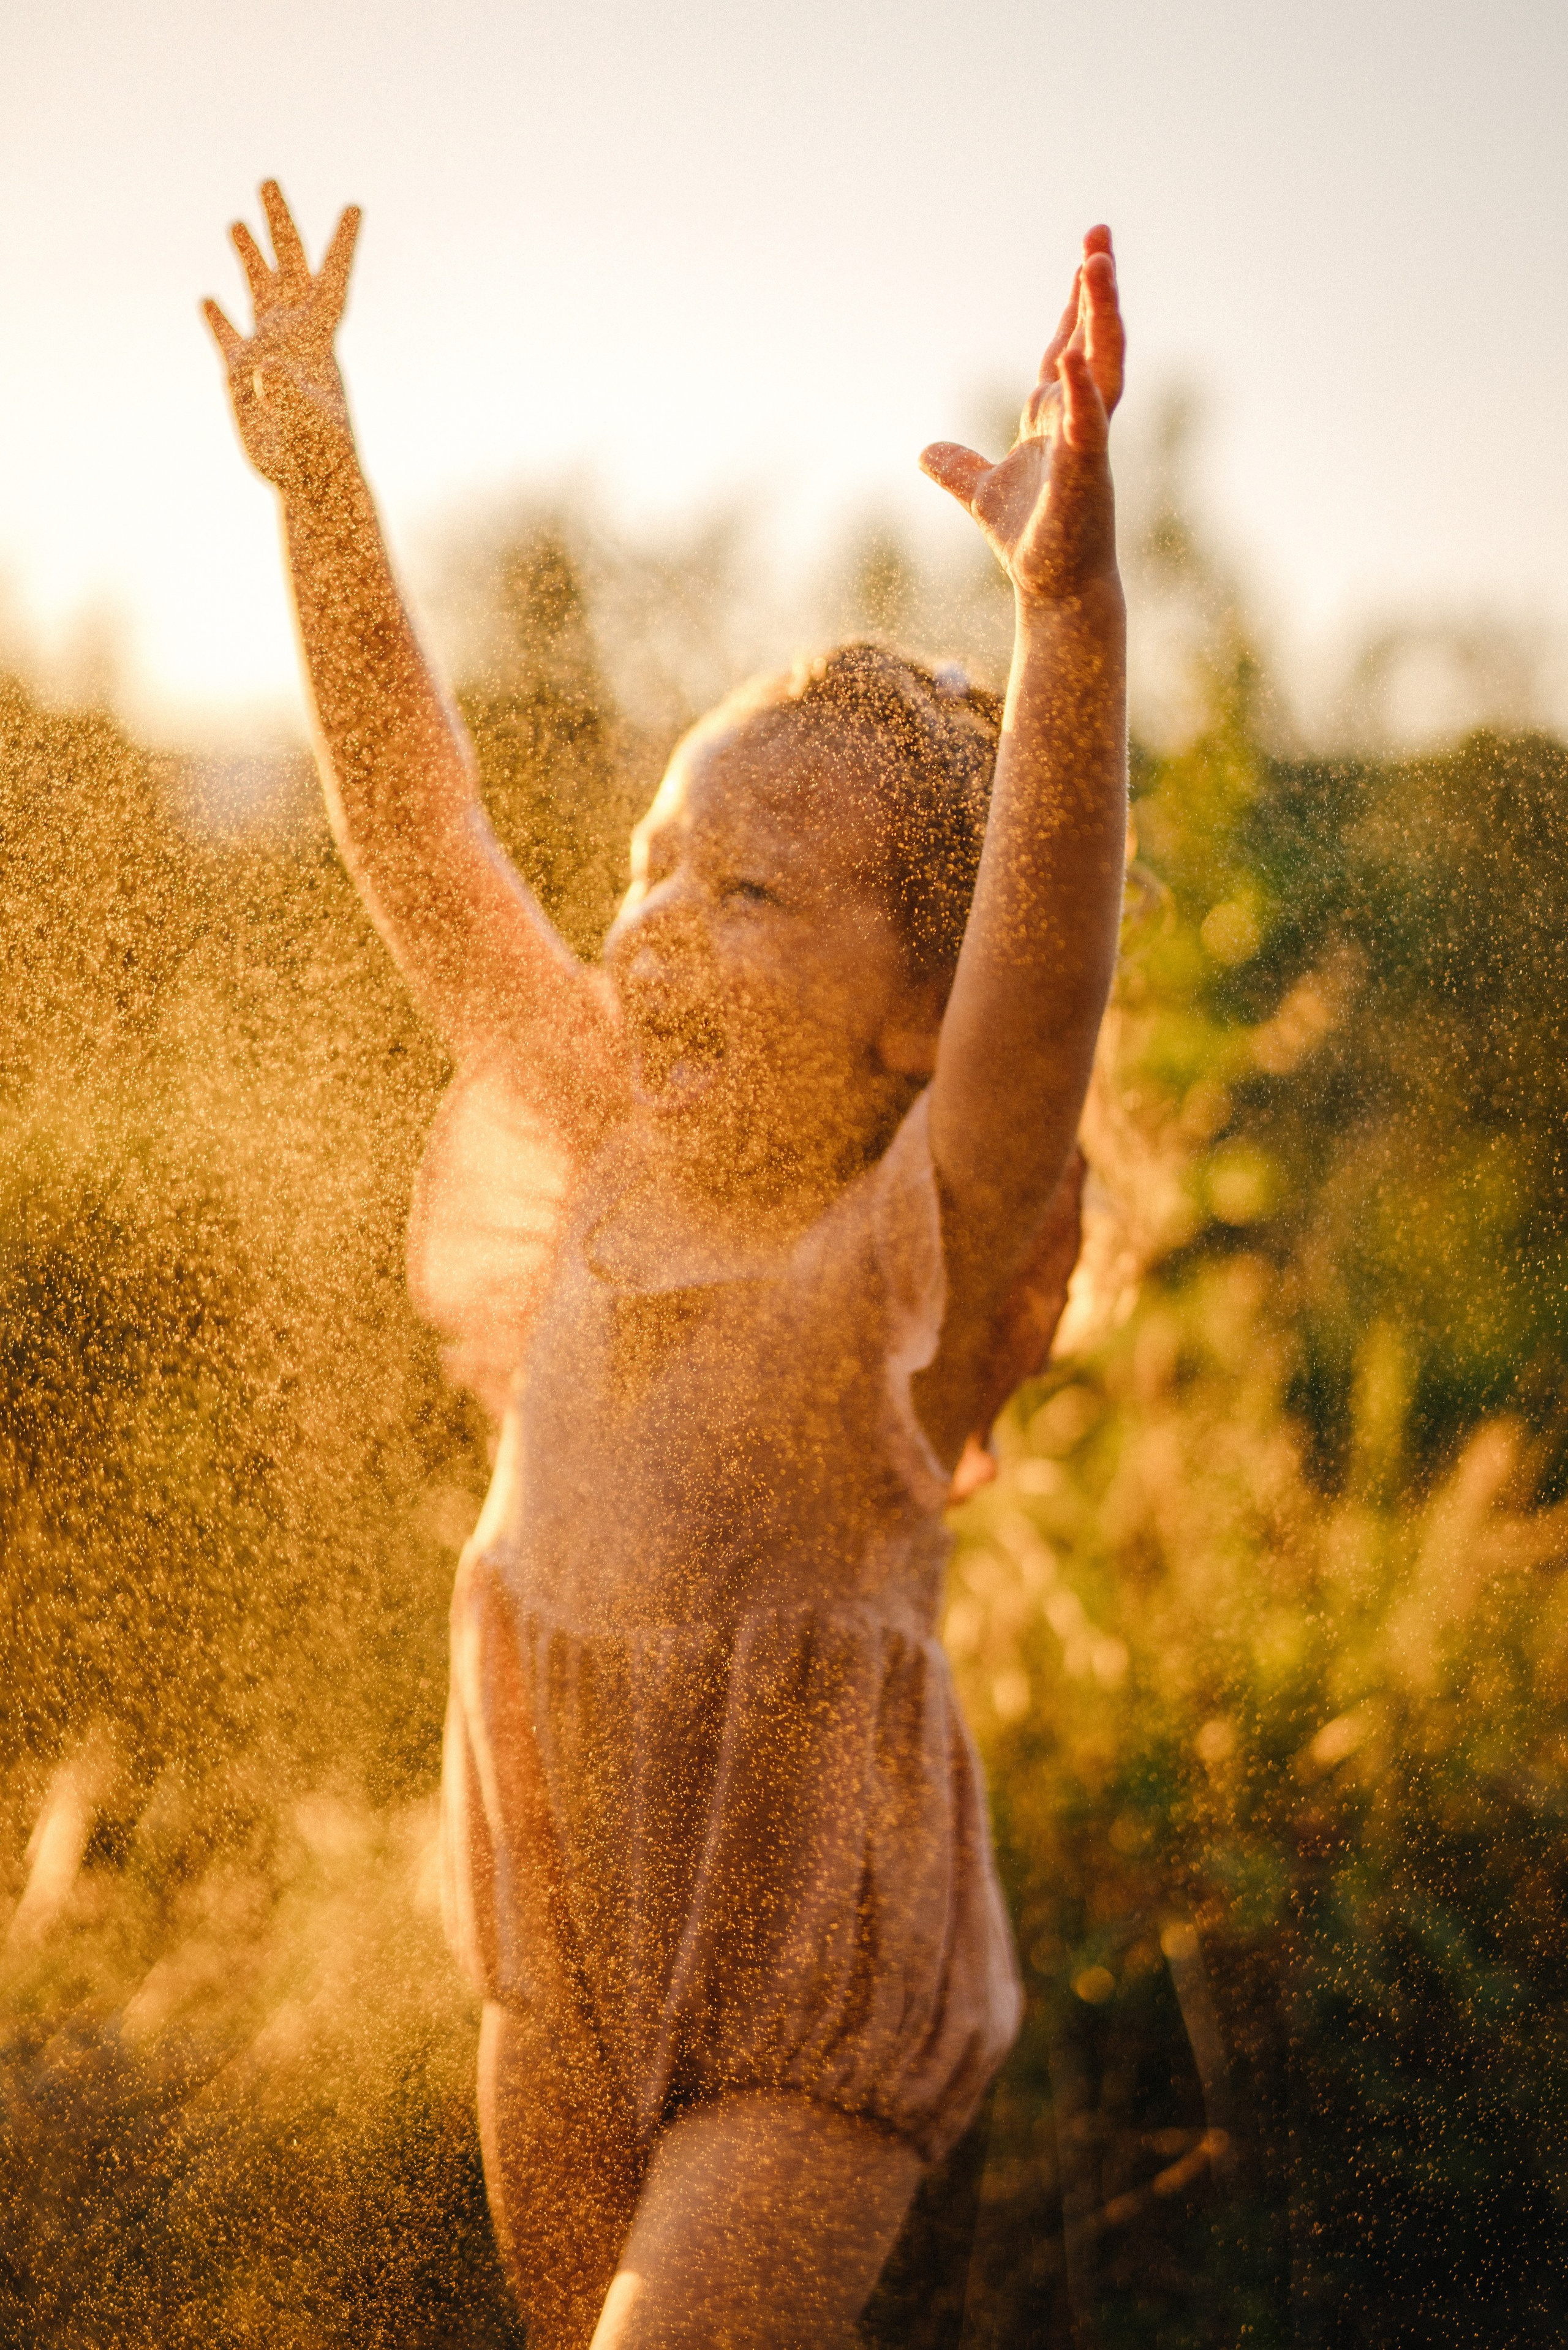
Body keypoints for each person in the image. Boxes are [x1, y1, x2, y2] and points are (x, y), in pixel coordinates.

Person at [203, 183, 1126, 2350]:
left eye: (750, 894)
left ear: (916, 1003)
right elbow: (422, 834)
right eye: (649, 864)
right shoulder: (609, 1135)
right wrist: (321, 479)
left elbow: (1050, 983)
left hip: (812, 1982)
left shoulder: (903, 1244)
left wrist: (1071, 631)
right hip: (564, 1957)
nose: (650, 924)